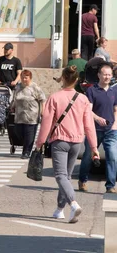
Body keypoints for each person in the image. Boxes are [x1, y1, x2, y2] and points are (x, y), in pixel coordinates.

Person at [35, 65, 99, 223]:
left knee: (61, 176)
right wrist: (93, 147)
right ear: (77, 80)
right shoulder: (83, 99)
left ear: (62, 78)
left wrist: (39, 143)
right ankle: (59, 210)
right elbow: (89, 125)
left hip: (60, 141)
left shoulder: (54, 97)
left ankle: (73, 203)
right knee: (67, 177)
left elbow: (46, 123)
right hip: (77, 142)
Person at [78, 62, 117, 193]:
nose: (107, 77)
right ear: (99, 75)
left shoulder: (114, 90)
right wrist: (97, 118)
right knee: (88, 156)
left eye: (109, 75)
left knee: (112, 156)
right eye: (104, 74)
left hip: (111, 130)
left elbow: (115, 109)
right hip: (94, 130)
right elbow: (88, 110)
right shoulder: (92, 90)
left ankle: (110, 185)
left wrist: (115, 124)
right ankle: (82, 180)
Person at [12, 70, 45, 159]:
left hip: (32, 116)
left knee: (29, 135)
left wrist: (43, 110)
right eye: (22, 77)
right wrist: (12, 106)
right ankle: (25, 148)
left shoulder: (35, 87)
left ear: (30, 78)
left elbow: (42, 99)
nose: (23, 79)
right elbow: (15, 98)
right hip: (19, 115)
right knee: (19, 133)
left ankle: (26, 152)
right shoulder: (18, 86)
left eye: (26, 78)